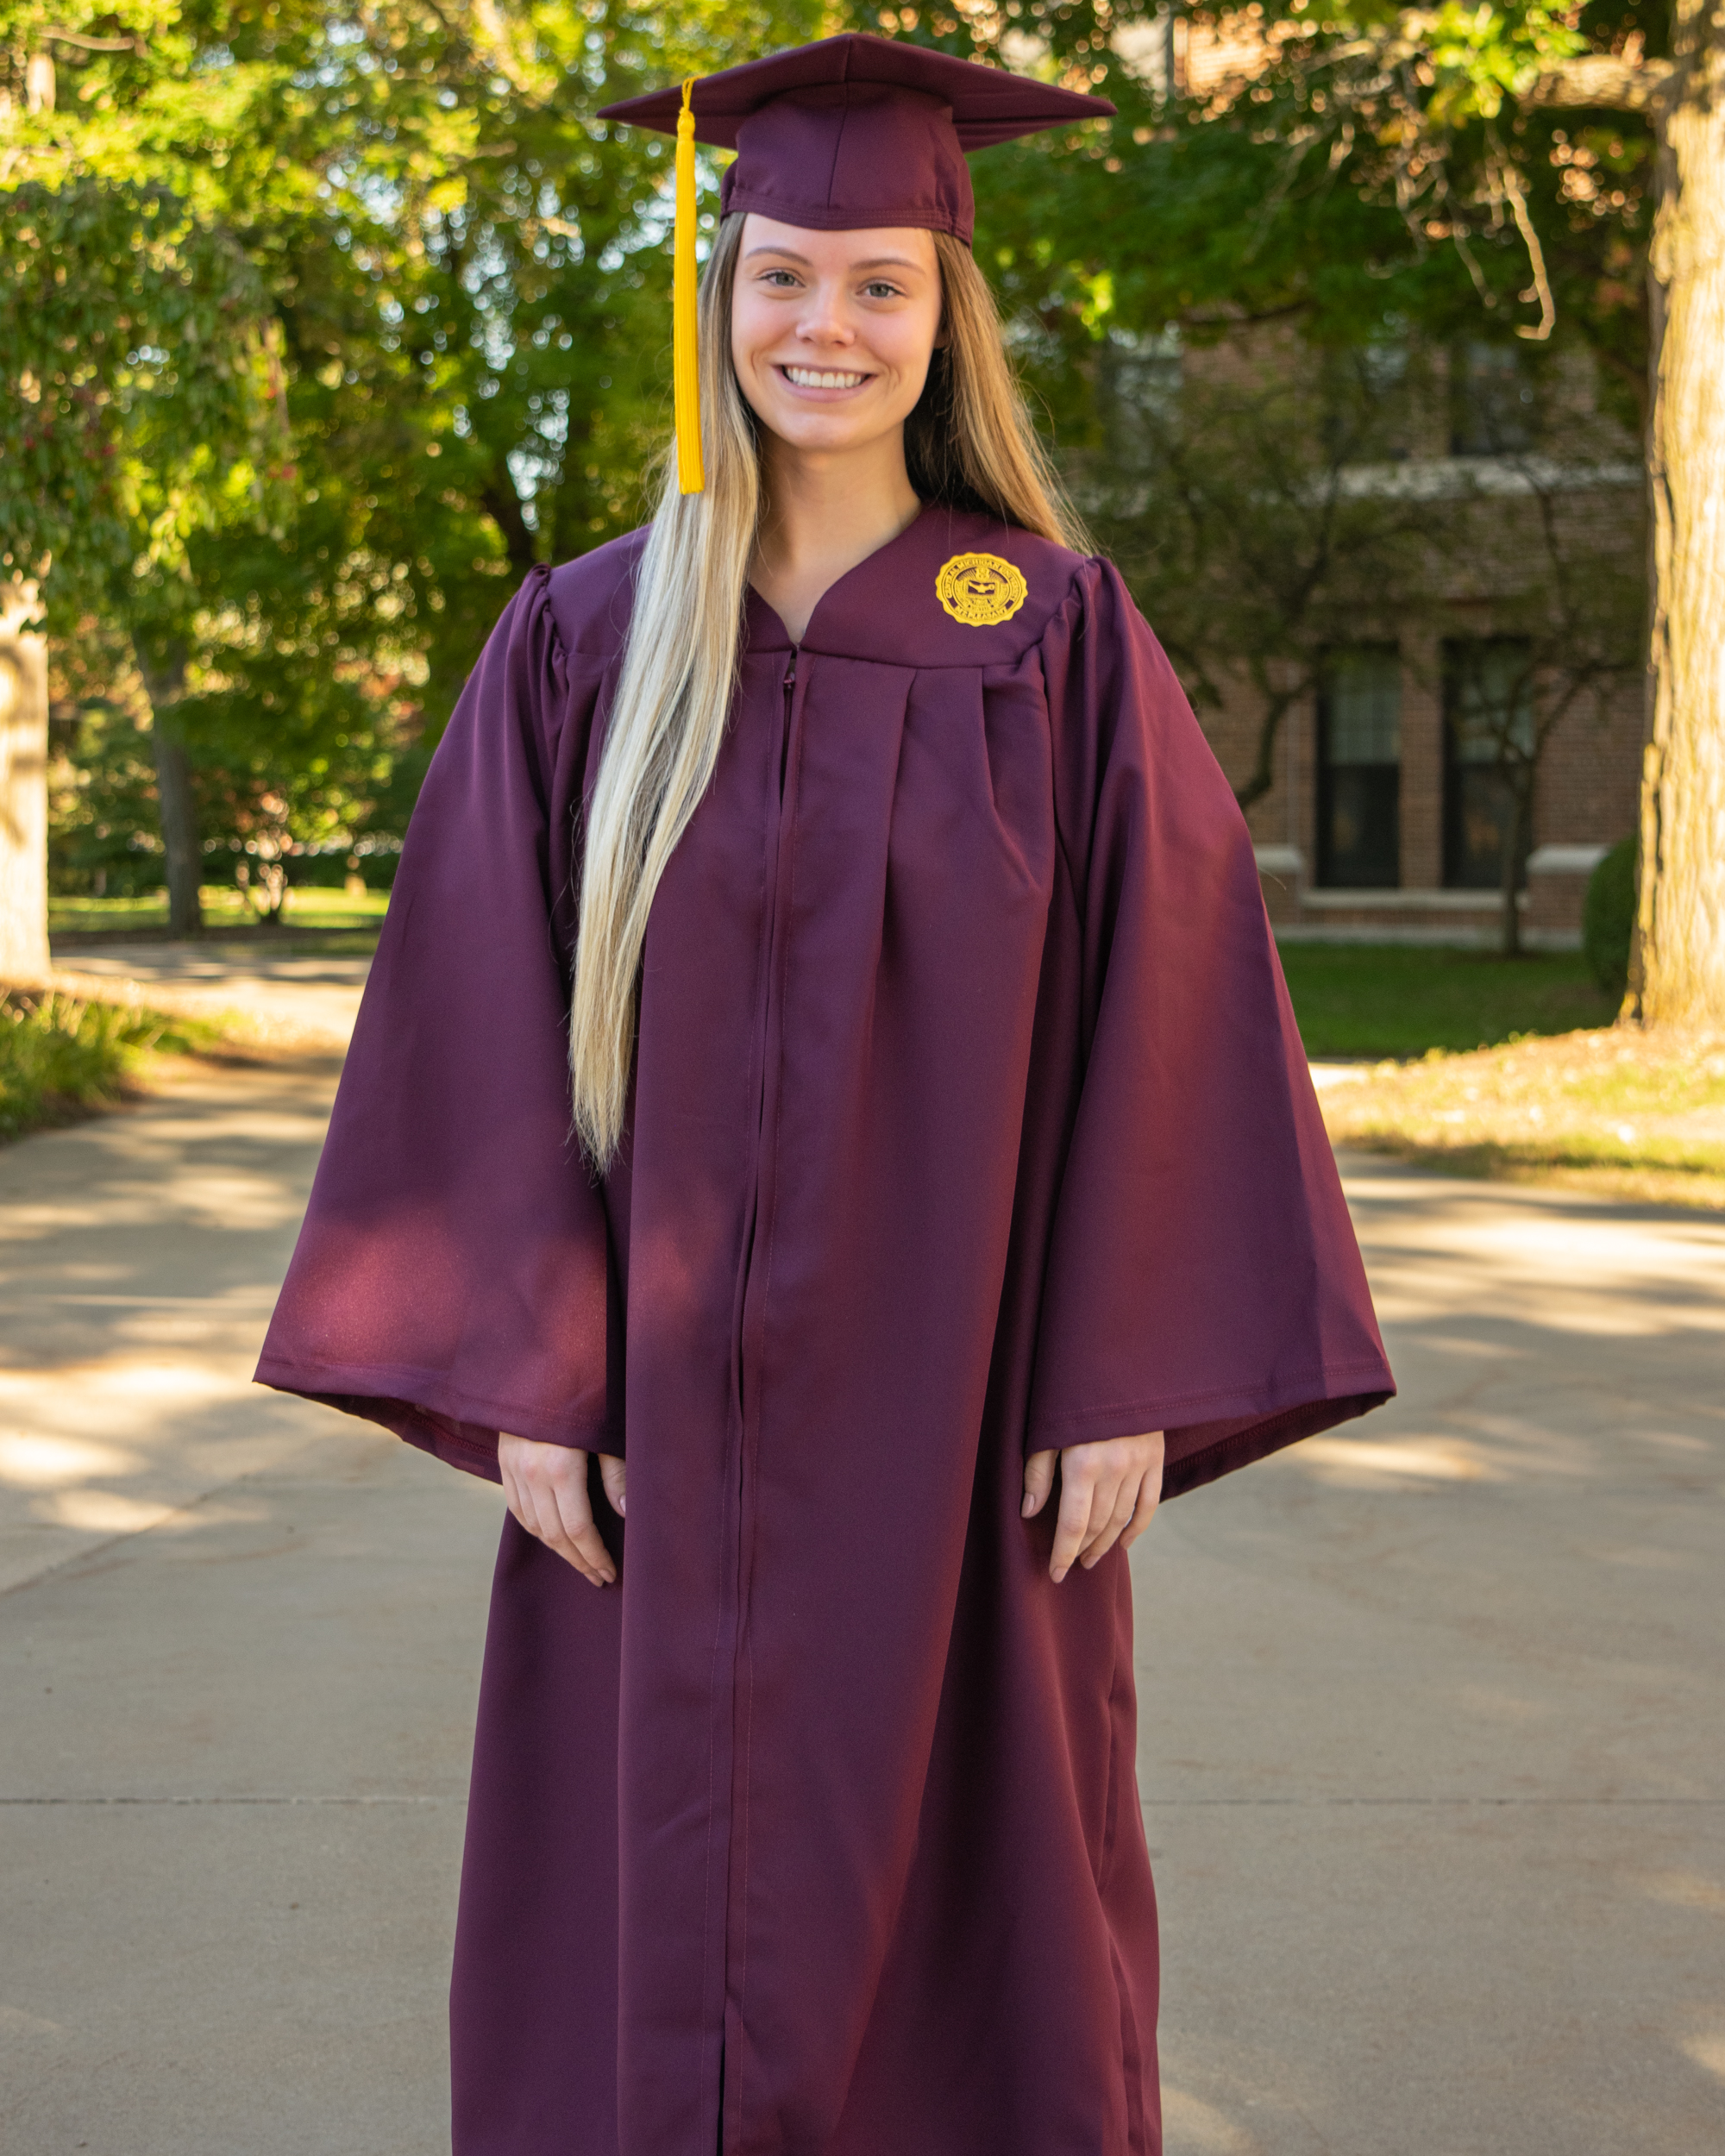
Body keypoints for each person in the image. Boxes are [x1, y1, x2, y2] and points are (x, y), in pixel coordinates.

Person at [256, 32, 1395, 2156]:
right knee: (642, 1895)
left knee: (984, 1896)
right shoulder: (588, 638)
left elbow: (1178, 1010)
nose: (828, 327)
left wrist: (1124, 1363)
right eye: (786, 275)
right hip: (652, 1435)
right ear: (723, 292)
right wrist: (522, 1372)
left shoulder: (1047, 635)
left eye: (882, 284)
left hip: (964, 1413)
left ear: (948, 315)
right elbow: (470, 1016)